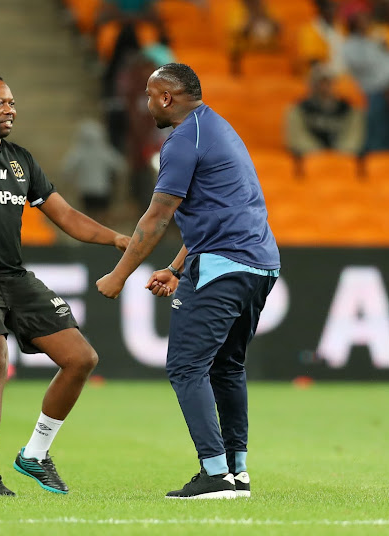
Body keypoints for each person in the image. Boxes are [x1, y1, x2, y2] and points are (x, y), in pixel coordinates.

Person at [0, 73, 129, 496]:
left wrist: (115, 237)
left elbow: (67, 216)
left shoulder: (20, 160)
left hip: (13, 277)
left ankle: (34, 454)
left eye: (12, 102)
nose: (10, 109)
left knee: (81, 358)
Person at [96, 63, 280, 499]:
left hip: (225, 265)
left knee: (185, 367)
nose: (145, 103)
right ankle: (236, 472)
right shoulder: (216, 127)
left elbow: (158, 215)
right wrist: (178, 268)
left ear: (166, 98)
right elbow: (219, 209)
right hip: (260, 263)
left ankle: (214, 474)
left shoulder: (181, 141)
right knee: (226, 366)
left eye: (149, 94)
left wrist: (118, 276)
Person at [285, 64, 364, 156]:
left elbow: (354, 138)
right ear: (312, 85)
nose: (324, 87)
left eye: (328, 82)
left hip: (342, 159)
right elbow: (297, 138)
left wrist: (340, 153)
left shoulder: (348, 109)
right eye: (319, 83)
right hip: (309, 160)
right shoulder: (298, 109)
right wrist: (318, 153)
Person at [62, 119, 126, 224]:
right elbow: (120, 166)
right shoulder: (105, 151)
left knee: (89, 217)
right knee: (100, 217)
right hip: (102, 190)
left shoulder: (79, 152)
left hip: (87, 190)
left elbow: (67, 169)